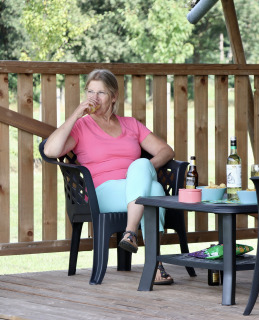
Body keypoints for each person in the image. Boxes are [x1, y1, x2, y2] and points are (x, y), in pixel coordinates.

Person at [44, 69, 174, 285]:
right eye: (90, 91)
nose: (94, 98)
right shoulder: (81, 127)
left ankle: (132, 238)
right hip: (101, 192)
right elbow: (50, 150)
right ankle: (151, 259)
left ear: (114, 97)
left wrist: (141, 171)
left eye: (101, 93)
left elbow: (166, 151)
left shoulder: (130, 124)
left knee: (147, 179)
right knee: (156, 192)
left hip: (131, 191)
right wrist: (77, 113)